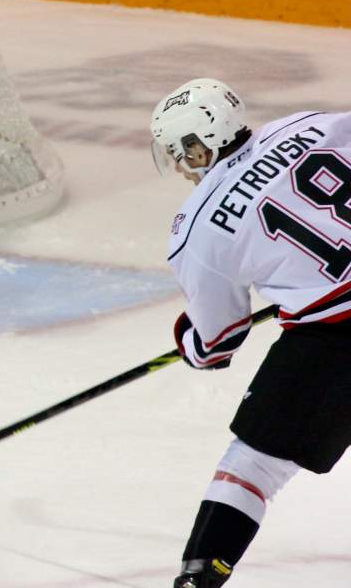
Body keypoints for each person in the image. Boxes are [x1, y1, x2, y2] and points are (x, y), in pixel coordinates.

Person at [149, 78, 351, 587]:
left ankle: (199, 578)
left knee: (253, 467)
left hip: (338, 338)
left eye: (181, 151)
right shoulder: (311, 124)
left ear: (200, 144)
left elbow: (218, 342)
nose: (180, 164)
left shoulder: (196, 228)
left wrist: (190, 341)